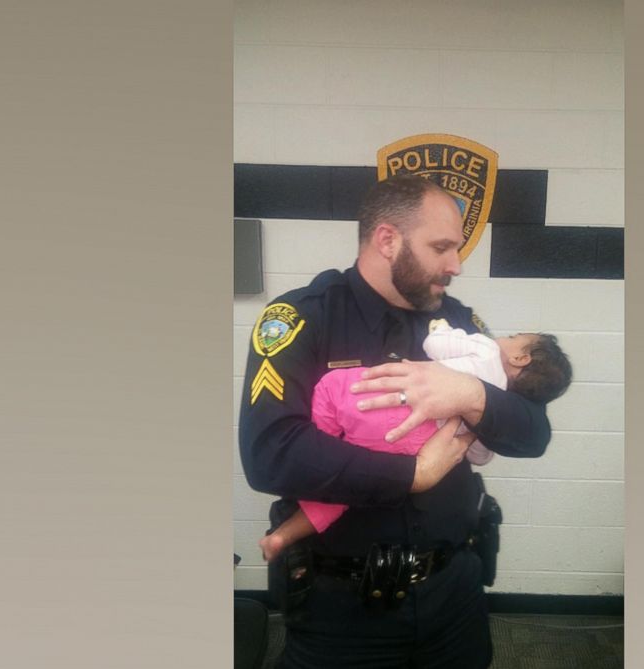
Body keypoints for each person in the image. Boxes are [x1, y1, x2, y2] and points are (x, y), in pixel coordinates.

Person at [238, 174, 555, 668]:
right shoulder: (302, 319)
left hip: (454, 598)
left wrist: (472, 394)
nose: (457, 264)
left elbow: (534, 434)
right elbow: (270, 454)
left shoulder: (460, 324)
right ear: (387, 240)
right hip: (342, 614)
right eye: (442, 247)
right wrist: (413, 474)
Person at [258, 325, 572, 561]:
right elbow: (478, 455)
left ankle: (306, 488)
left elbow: (433, 343)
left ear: (521, 356)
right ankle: (283, 536)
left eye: (516, 335)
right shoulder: (500, 407)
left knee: (331, 392)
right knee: (339, 498)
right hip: (408, 443)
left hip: (380, 401)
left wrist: (443, 328)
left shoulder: (487, 349)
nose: (454, 266)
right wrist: (473, 417)